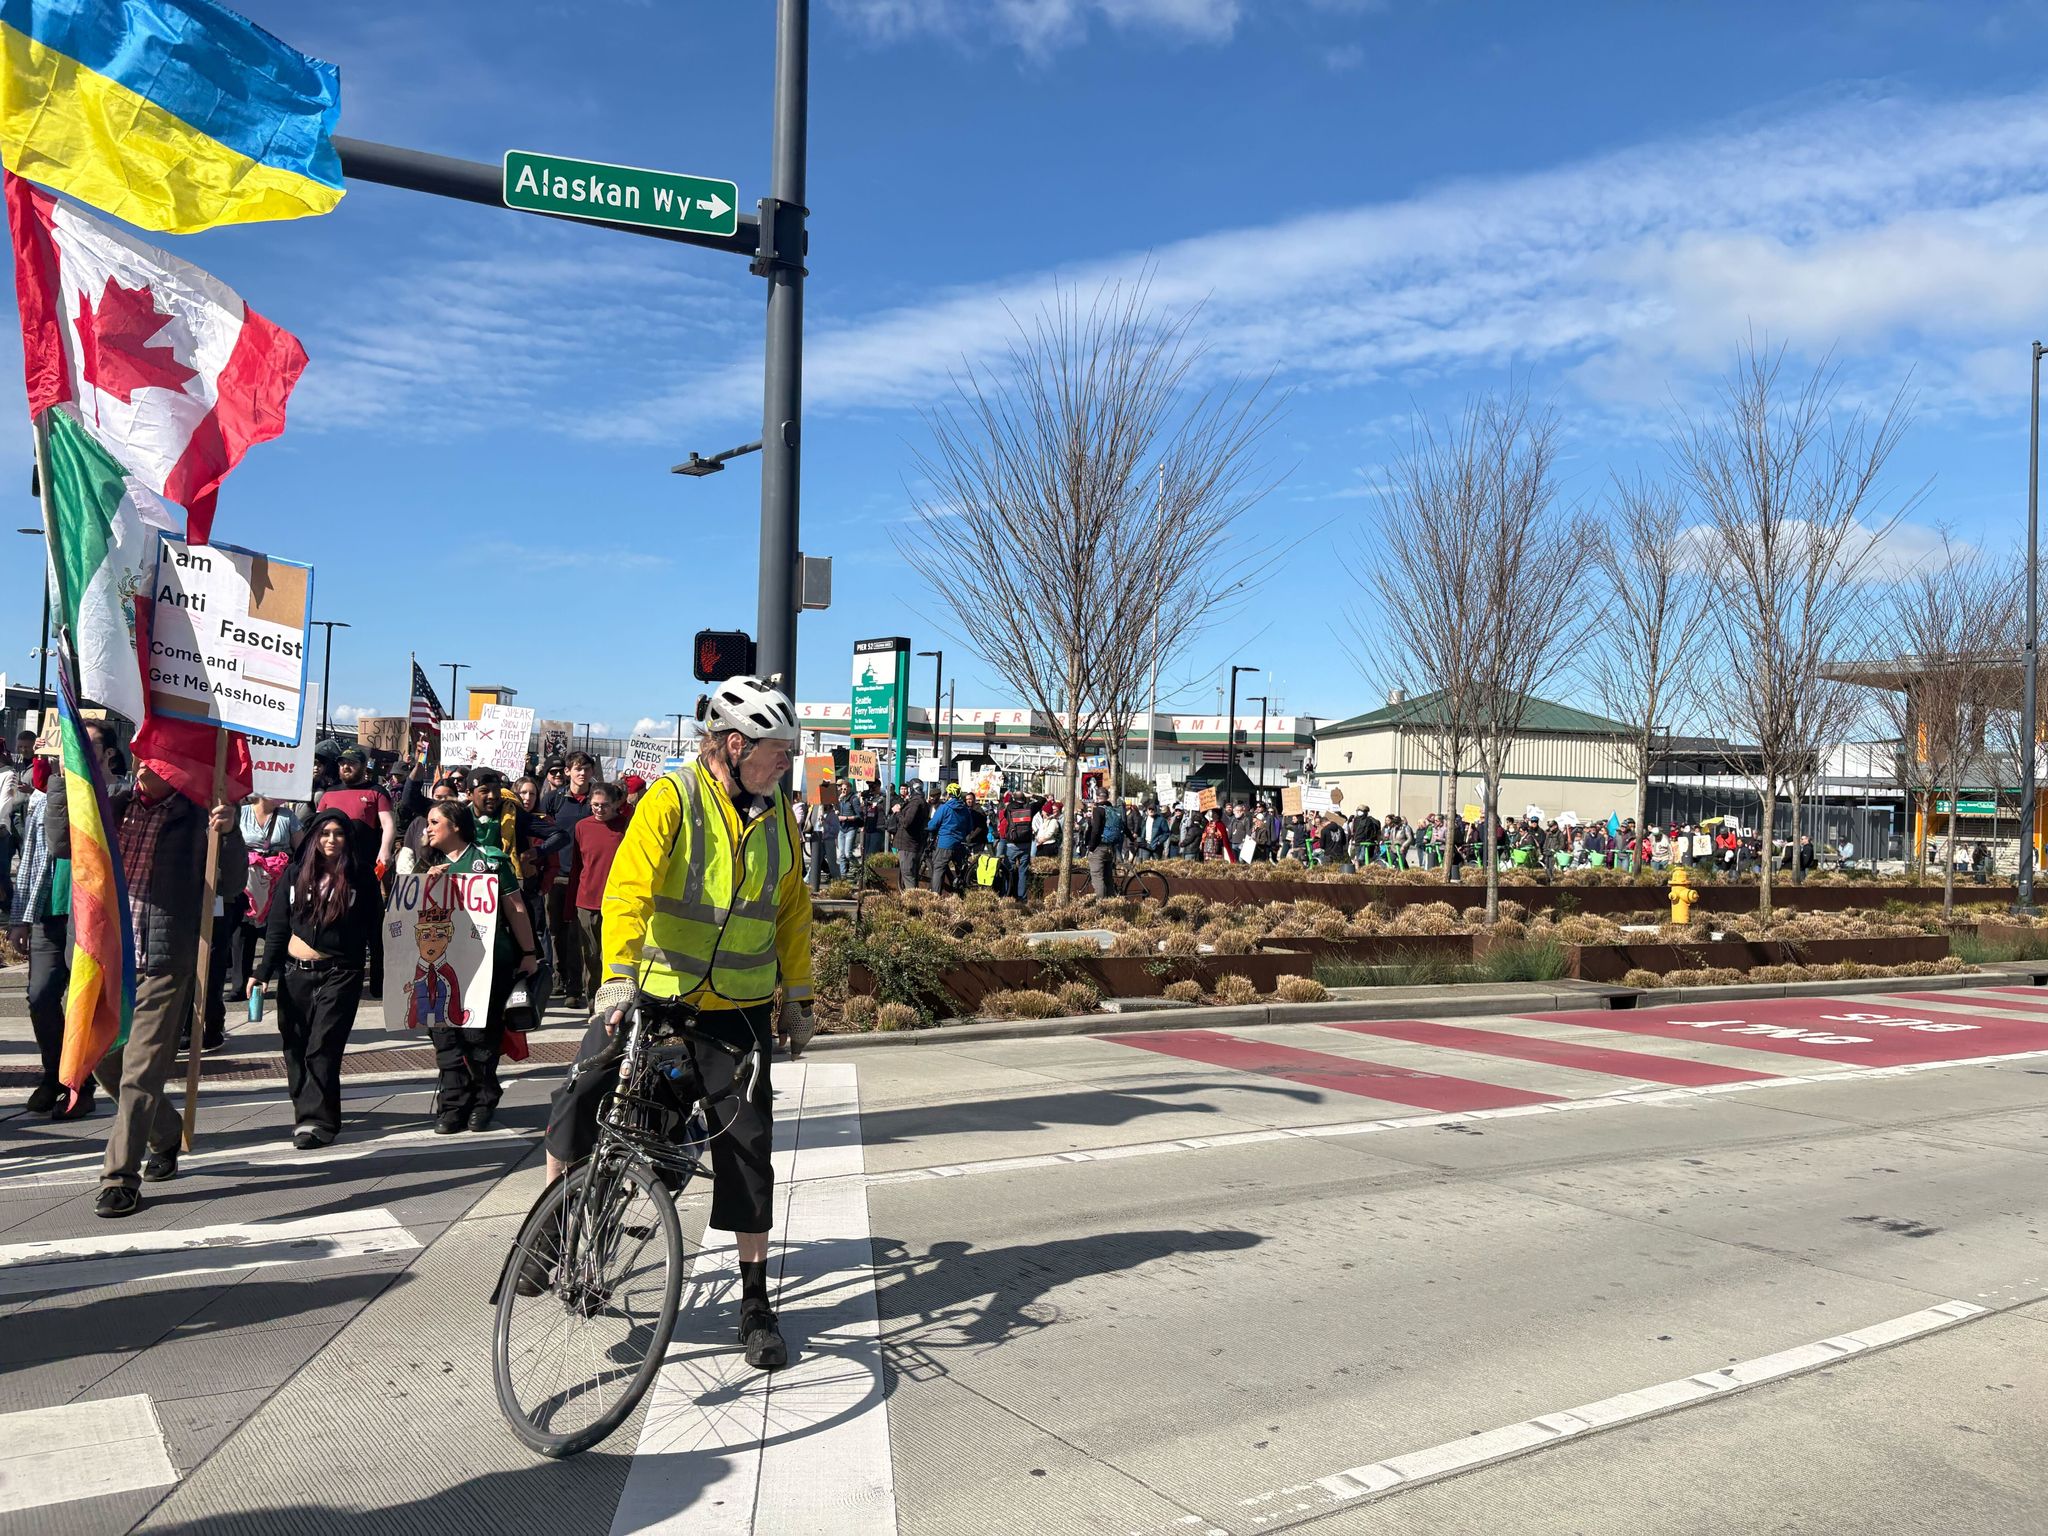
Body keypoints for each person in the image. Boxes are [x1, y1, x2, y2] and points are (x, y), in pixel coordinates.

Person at [540, 675, 814, 1372]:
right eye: (777, 748)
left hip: (738, 1012)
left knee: (749, 1150)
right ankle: (551, 1229)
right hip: (655, 998)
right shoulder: (675, 797)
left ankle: (755, 1302)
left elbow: (790, 907)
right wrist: (617, 981)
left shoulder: (779, 812)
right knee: (583, 1092)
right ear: (733, 745)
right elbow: (628, 891)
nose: (787, 759)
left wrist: (799, 996)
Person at [94, 748, 247, 1217]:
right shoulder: (112, 805)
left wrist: (231, 831)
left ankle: (120, 1177)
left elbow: (231, 883)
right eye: (139, 759)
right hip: (107, 957)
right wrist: (68, 780)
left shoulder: (195, 816)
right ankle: (163, 1132)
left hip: (163, 959)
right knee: (100, 1058)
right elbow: (64, 844)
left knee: (142, 1069)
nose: (141, 767)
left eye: (154, 762)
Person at [414, 798, 539, 1134]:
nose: (428, 829)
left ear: (455, 825)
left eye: (434, 822)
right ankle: (452, 1104)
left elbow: (516, 909)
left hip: (487, 963)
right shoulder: (427, 866)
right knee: (444, 1036)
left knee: (479, 1036)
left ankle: (483, 1099)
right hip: (439, 967)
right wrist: (427, 882)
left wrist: (528, 952)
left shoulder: (489, 860)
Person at [256, 808, 378, 1148]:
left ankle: (317, 1122)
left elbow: (374, 928)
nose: (331, 840)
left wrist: (380, 976)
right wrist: (262, 972)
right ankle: (306, 1108)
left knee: (322, 1047)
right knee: (295, 1047)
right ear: (313, 838)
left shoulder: (361, 877)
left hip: (340, 973)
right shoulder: (295, 874)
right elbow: (278, 926)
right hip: (295, 973)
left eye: (338, 833)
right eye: (325, 833)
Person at [317, 747, 395, 999]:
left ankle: (379, 982)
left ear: (363, 766)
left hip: (365, 870)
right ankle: (341, 976)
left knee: (374, 926)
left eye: (351, 763)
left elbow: (388, 824)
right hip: (333, 871)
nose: (345, 767)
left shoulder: (376, 792)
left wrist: (385, 850)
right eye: (342, 764)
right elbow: (318, 827)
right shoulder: (329, 793)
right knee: (337, 923)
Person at [538, 752, 597, 1009]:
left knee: (578, 934)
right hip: (557, 876)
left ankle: (576, 986)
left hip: (585, 878)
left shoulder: (598, 800)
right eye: (577, 769)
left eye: (586, 769)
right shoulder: (553, 800)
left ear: (592, 772)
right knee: (554, 933)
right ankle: (559, 980)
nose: (581, 773)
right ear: (568, 772)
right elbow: (541, 834)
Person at [233, 792, 300, 1001]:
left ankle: (278, 976)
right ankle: (239, 985)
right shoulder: (241, 813)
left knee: (276, 928)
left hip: (277, 880)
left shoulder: (288, 817)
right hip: (246, 878)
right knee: (242, 931)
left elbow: (302, 848)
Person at [572, 781, 627, 993]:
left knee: (611, 956)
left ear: (615, 804)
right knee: (591, 956)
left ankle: (610, 1000)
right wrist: (571, 905)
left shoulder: (626, 826)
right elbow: (577, 867)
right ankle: (593, 1002)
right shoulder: (582, 827)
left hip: (616, 900)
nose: (599, 809)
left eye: (604, 805)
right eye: (595, 805)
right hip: (587, 901)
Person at [926, 784, 970, 893]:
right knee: (960, 869)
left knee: (938, 868)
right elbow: (970, 827)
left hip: (945, 843)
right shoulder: (965, 809)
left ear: (949, 794)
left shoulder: (945, 807)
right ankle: (960, 892)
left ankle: (935, 896)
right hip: (960, 843)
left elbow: (933, 825)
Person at [891, 779, 929, 889]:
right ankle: (913, 899)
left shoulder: (915, 803)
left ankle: (912, 901)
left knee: (908, 874)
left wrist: (898, 812)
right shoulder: (922, 802)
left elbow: (907, 822)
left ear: (912, 788)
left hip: (908, 843)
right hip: (915, 842)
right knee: (912, 874)